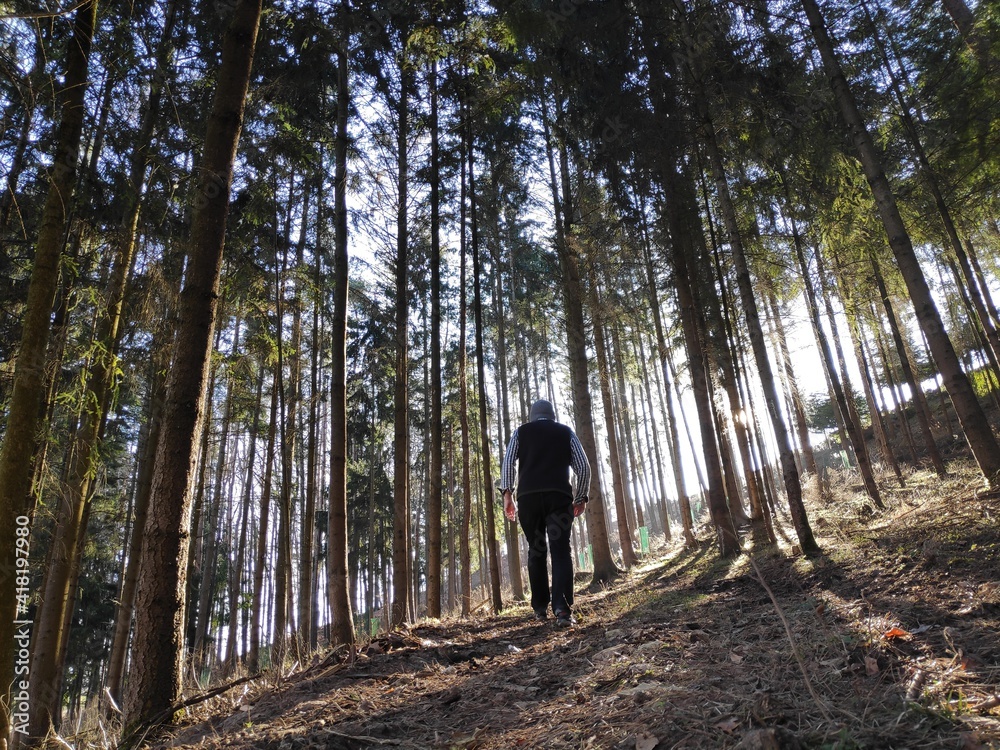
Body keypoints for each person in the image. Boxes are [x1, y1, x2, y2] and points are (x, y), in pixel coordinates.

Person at [500, 399, 590, 628]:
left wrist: (507, 494)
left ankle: (540, 608)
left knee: (536, 549)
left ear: (532, 416)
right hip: (558, 498)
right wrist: (581, 497)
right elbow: (583, 467)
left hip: (528, 499)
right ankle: (561, 609)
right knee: (560, 550)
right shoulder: (565, 432)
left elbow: (508, 462)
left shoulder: (521, 432)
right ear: (552, 415)